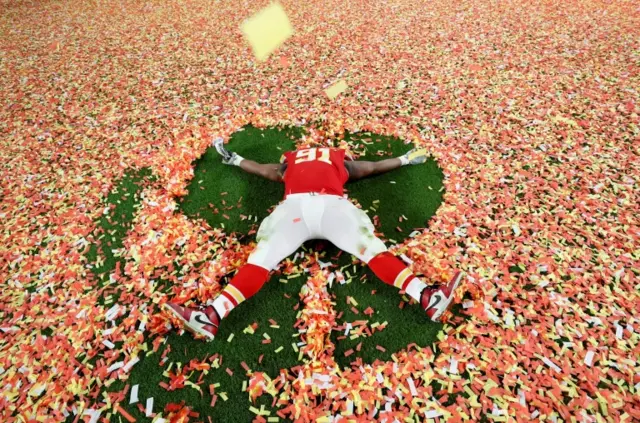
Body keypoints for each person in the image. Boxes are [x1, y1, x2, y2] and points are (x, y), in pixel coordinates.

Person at [163, 138, 464, 341]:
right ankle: (427, 296)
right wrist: (404, 159)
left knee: (263, 257)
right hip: (332, 207)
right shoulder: (339, 159)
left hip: (293, 209)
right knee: (371, 250)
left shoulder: (291, 161)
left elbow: (267, 171)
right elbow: (370, 167)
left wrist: (237, 159)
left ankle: (213, 313)